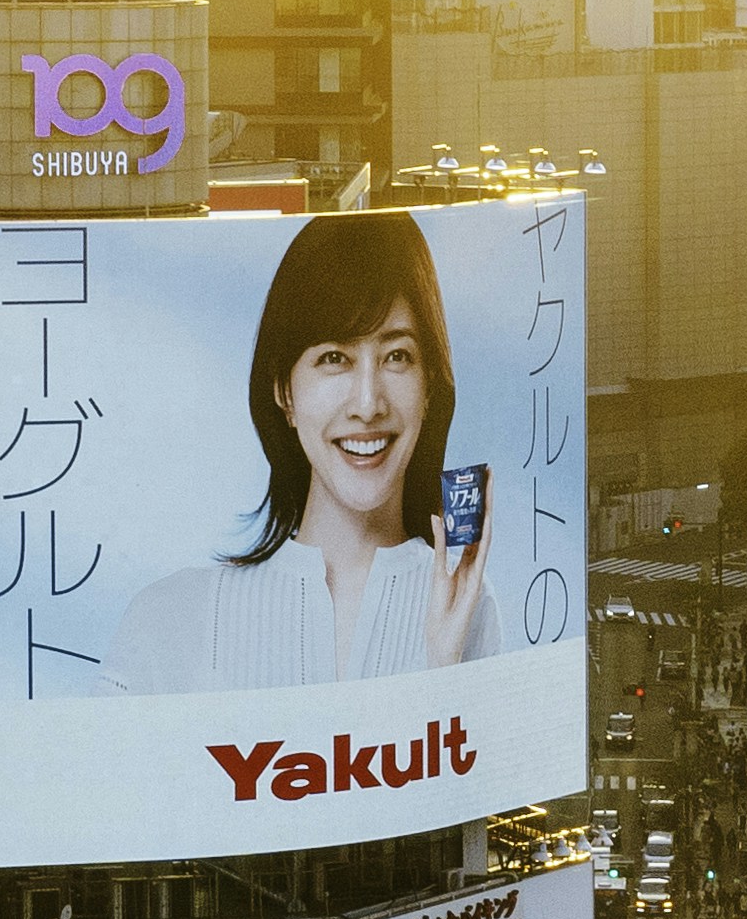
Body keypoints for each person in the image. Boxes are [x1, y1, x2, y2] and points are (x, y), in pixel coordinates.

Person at [105, 209, 570, 693]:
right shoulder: (170, 617)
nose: (368, 404)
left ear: (430, 385)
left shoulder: (466, 604)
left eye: (397, 356)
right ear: (284, 390)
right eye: (334, 358)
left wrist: (443, 666)